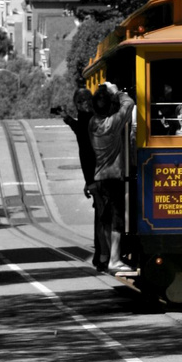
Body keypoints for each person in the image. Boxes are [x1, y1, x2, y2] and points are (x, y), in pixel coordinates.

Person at [89, 81, 135, 274]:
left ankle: (106, 255)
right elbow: (129, 104)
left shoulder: (92, 123)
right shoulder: (111, 124)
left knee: (104, 219)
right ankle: (114, 260)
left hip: (99, 177)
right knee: (117, 220)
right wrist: (116, 93)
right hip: (113, 177)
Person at [62, 87, 104, 270]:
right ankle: (102, 253)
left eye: (81, 102)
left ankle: (102, 254)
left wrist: (90, 181)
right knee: (102, 214)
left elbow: (86, 152)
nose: (81, 106)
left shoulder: (89, 119)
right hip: (100, 175)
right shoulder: (93, 118)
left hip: (98, 175)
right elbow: (79, 130)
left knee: (102, 215)